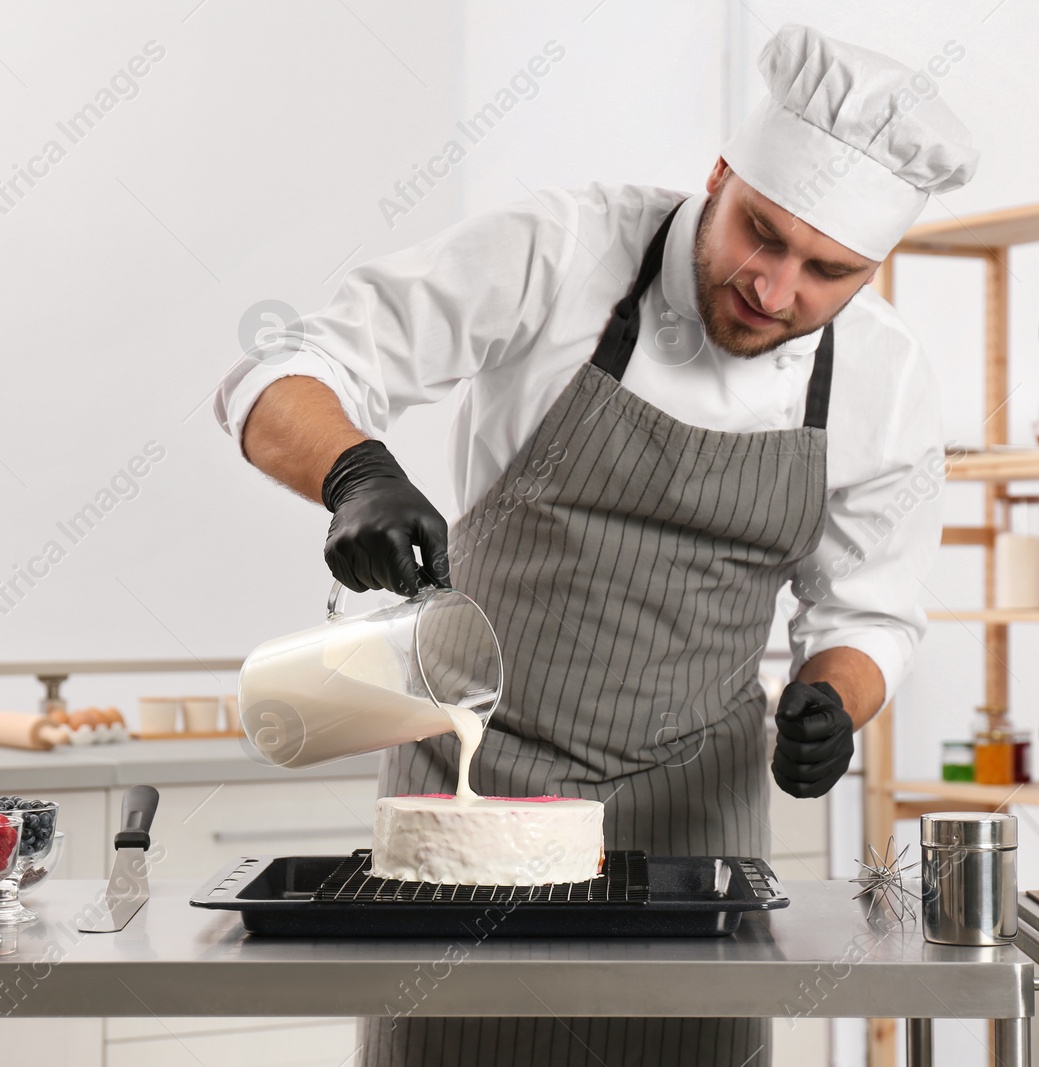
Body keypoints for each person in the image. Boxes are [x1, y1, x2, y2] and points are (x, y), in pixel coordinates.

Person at [213, 22, 977, 1067]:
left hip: (695, 820)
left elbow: (867, 611)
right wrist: (355, 475)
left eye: (826, 270)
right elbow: (285, 374)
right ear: (719, 175)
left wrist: (832, 701)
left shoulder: (883, 379)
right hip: (470, 788)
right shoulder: (561, 251)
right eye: (759, 230)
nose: (773, 286)